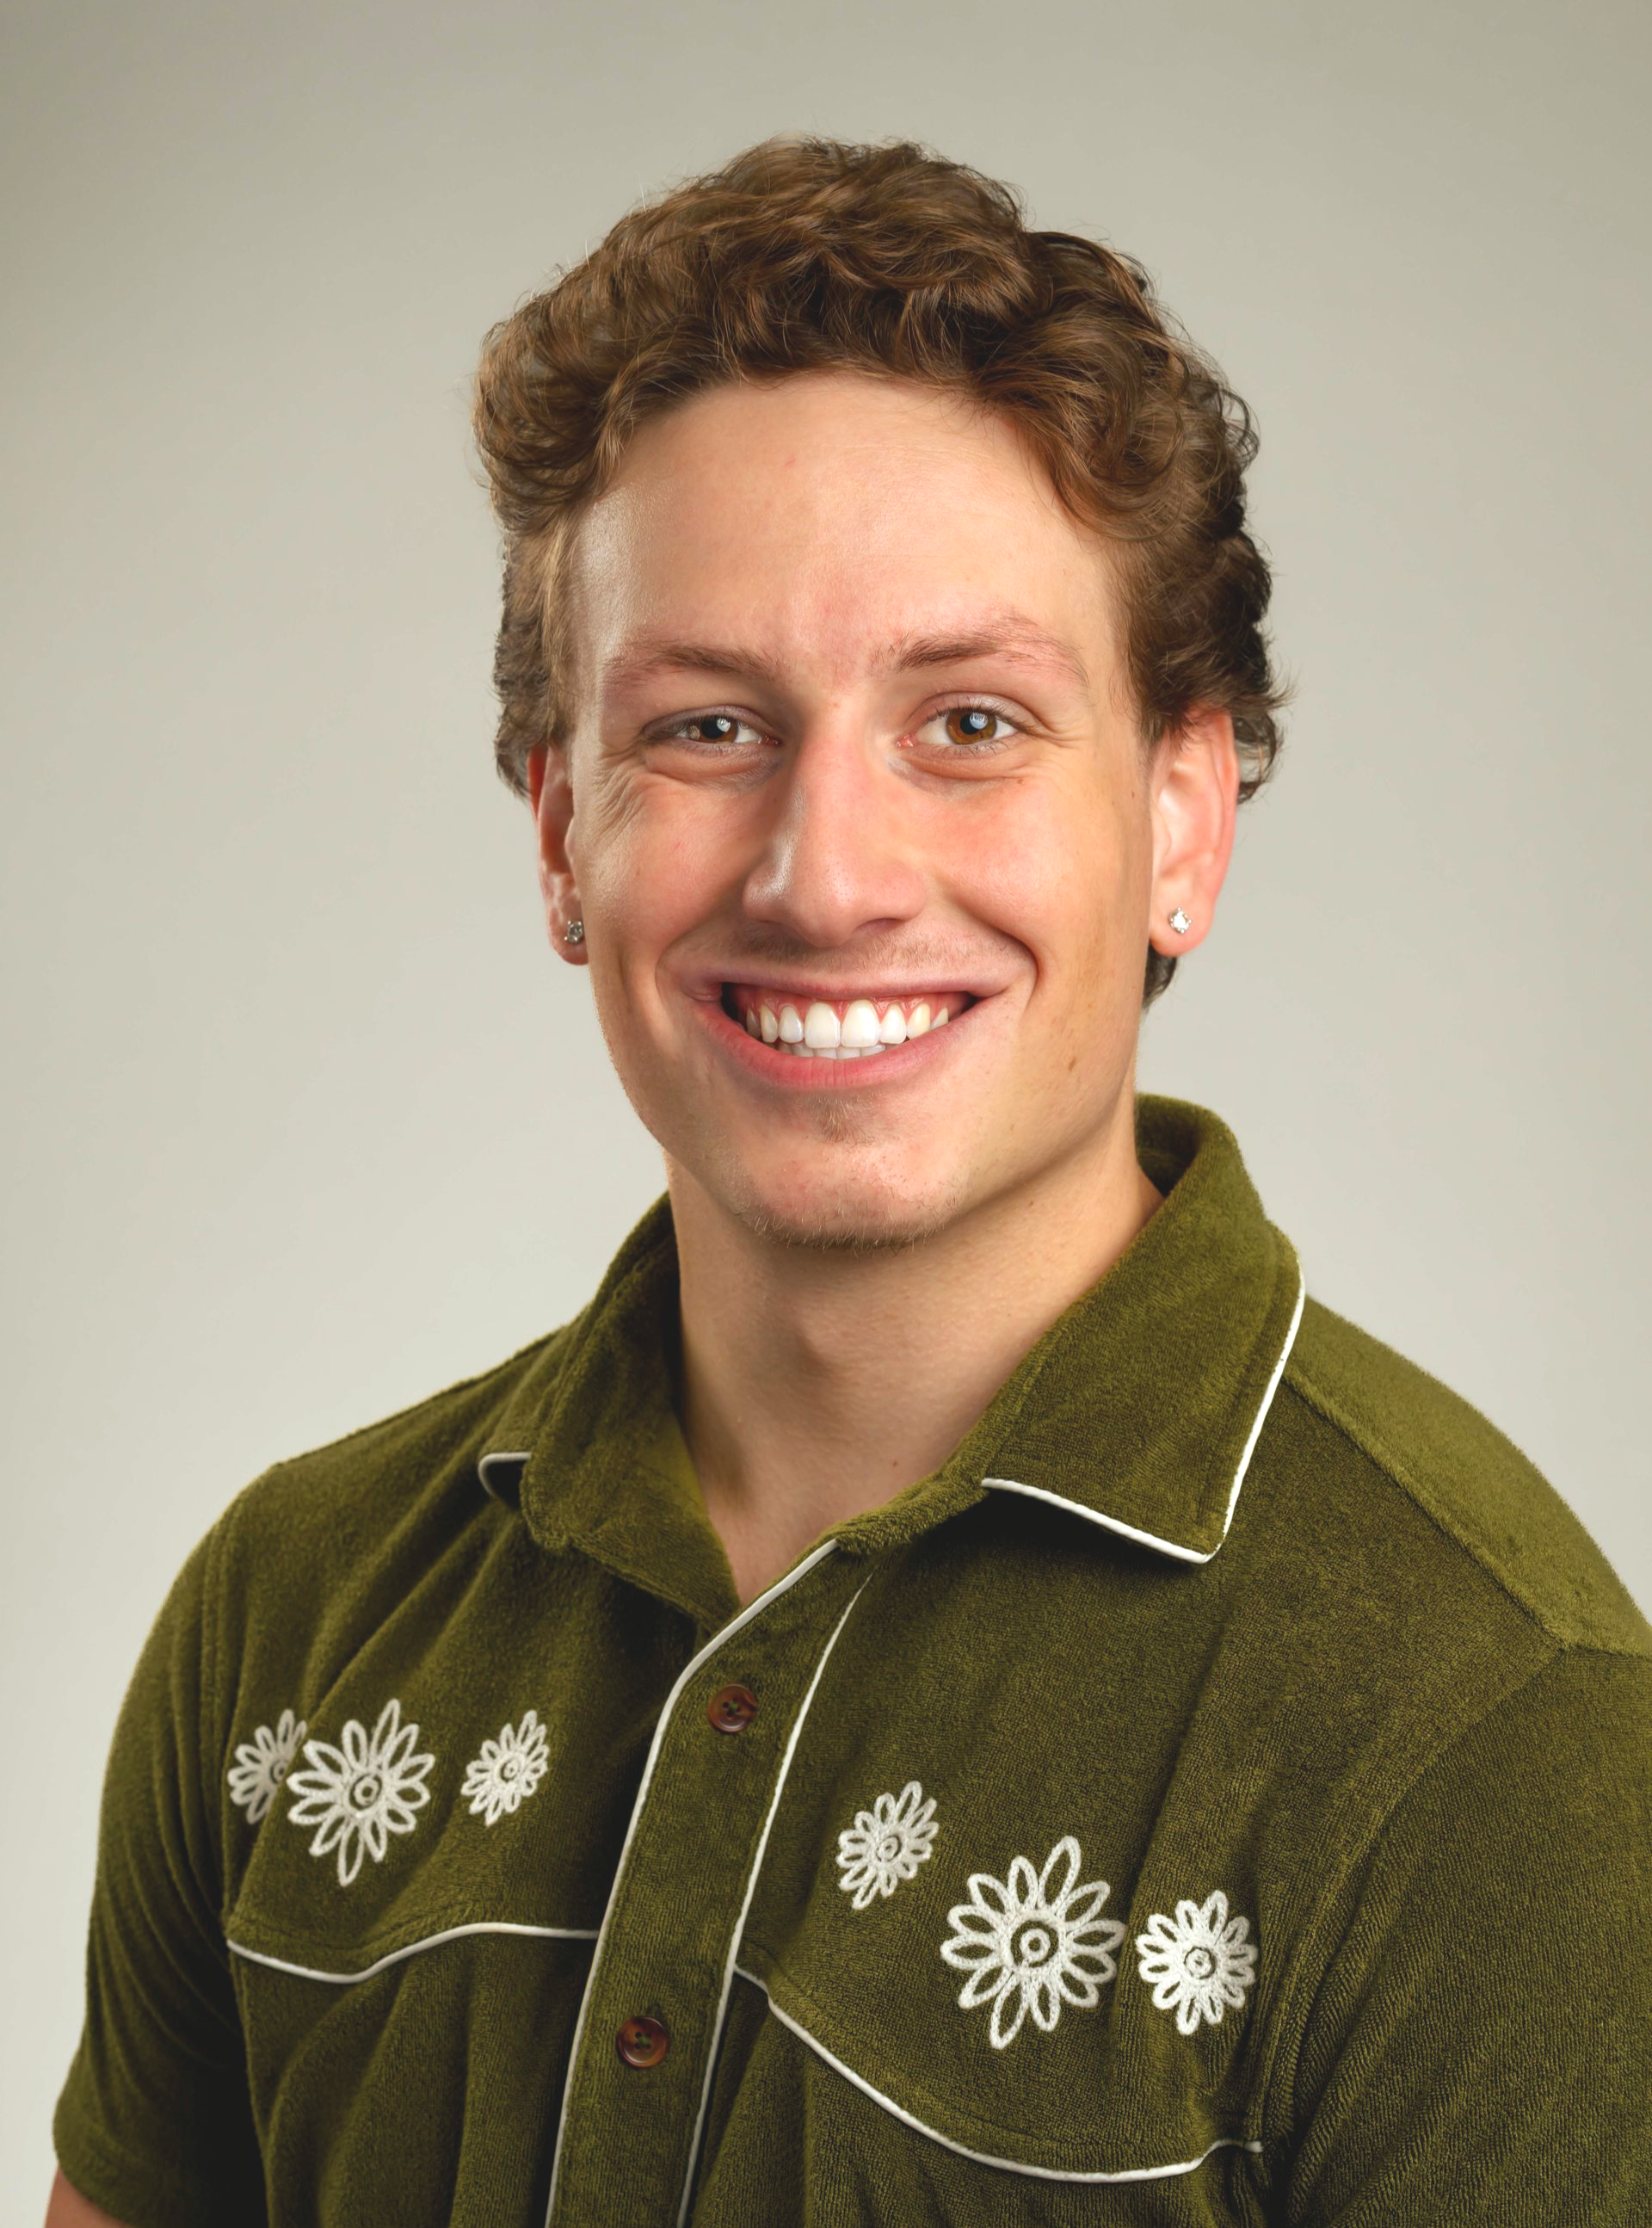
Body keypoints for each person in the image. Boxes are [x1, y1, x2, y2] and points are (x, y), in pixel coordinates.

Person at [47, 136, 1652, 2228]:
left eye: (969, 720)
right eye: (710, 729)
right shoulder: (290, 1615)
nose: (826, 876)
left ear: (1183, 818)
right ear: (561, 832)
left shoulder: (1502, 1746)